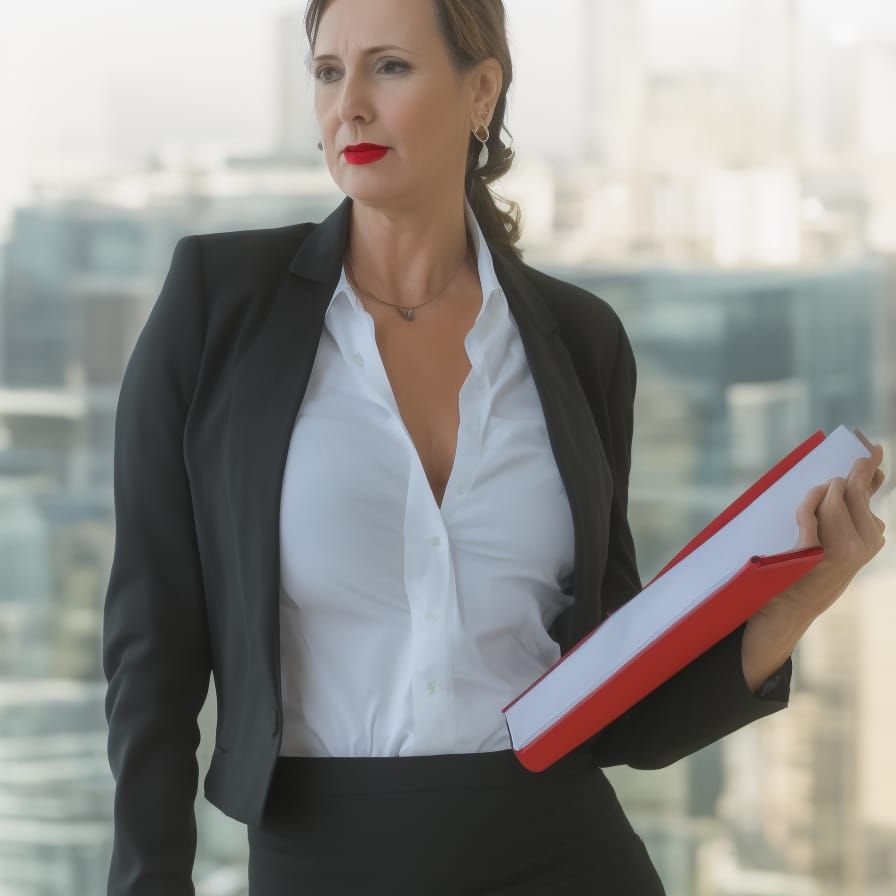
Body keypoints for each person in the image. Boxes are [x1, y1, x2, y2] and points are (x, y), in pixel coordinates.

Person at [102, 0, 888, 894]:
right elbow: (150, 665)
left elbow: (622, 705)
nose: (348, 104)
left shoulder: (581, 341)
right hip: (323, 863)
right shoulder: (217, 309)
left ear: (482, 91)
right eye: (328, 71)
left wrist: (799, 600)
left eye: (388, 67)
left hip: (567, 856)